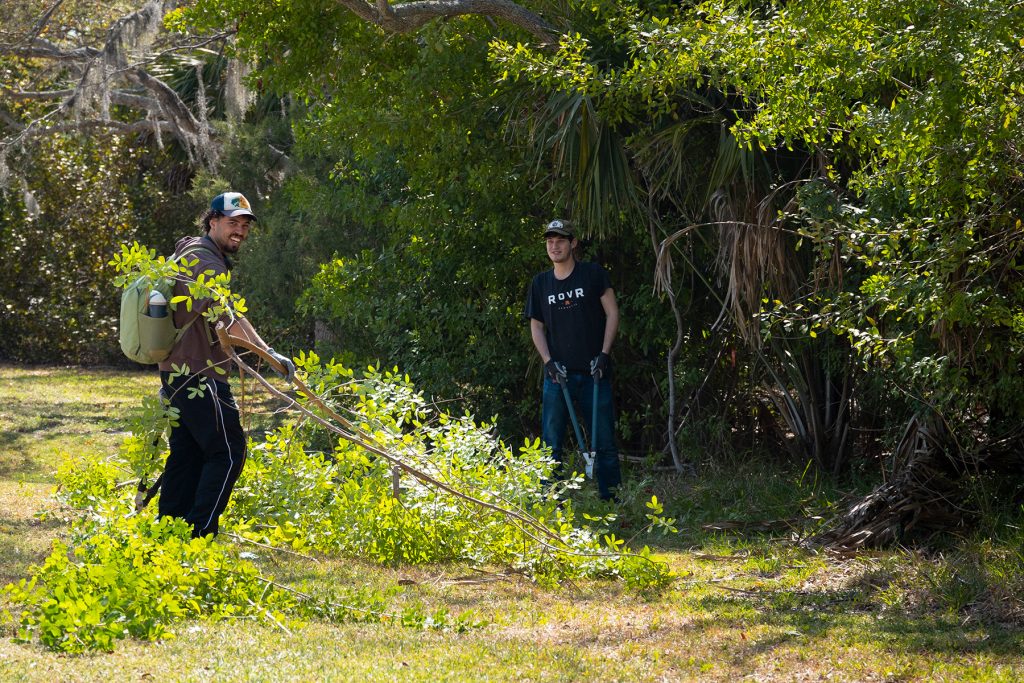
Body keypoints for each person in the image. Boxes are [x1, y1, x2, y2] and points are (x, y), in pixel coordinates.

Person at [156, 191, 295, 538]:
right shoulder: (206, 261)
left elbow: (225, 315)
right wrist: (271, 356)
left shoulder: (192, 251)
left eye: (245, 225)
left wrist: (267, 352)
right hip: (199, 375)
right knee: (229, 452)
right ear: (212, 221)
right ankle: (200, 533)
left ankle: (168, 535)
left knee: (186, 454)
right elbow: (228, 321)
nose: (240, 231)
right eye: (233, 223)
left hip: (178, 372)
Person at [525, 218, 622, 501]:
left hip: (595, 373)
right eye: (550, 241)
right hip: (558, 377)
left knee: (603, 441)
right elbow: (536, 326)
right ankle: (550, 501)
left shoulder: (592, 274)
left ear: (573, 243)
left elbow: (612, 313)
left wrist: (604, 355)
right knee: (551, 443)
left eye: (560, 241)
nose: (554, 246)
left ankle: (611, 501)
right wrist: (548, 361)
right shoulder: (540, 283)